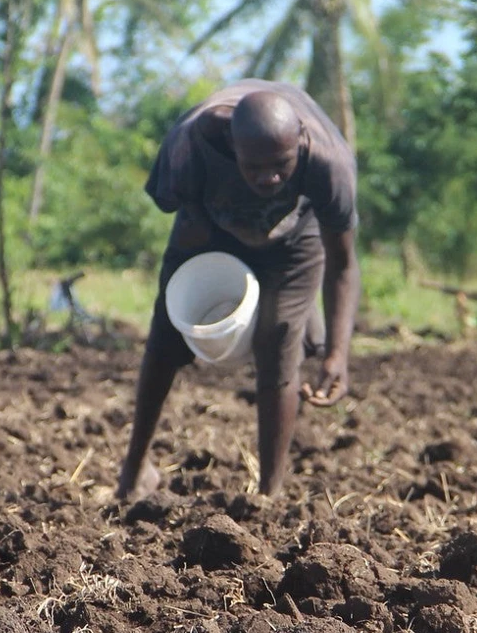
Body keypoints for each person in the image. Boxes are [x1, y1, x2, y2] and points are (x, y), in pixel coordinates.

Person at [116, 79, 359, 498]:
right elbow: (173, 205)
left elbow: (342, 263)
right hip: (211, 224)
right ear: (232, 144)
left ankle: (269, 494)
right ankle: (134, 471)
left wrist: (338, 351)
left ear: (299, 143)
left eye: (281, 165)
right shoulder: (193, 140)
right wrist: (203, 238)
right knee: (166, 332)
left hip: (295, 240)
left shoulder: (327, 163)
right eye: (254, 167)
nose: (269, 177)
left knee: (279, 338)